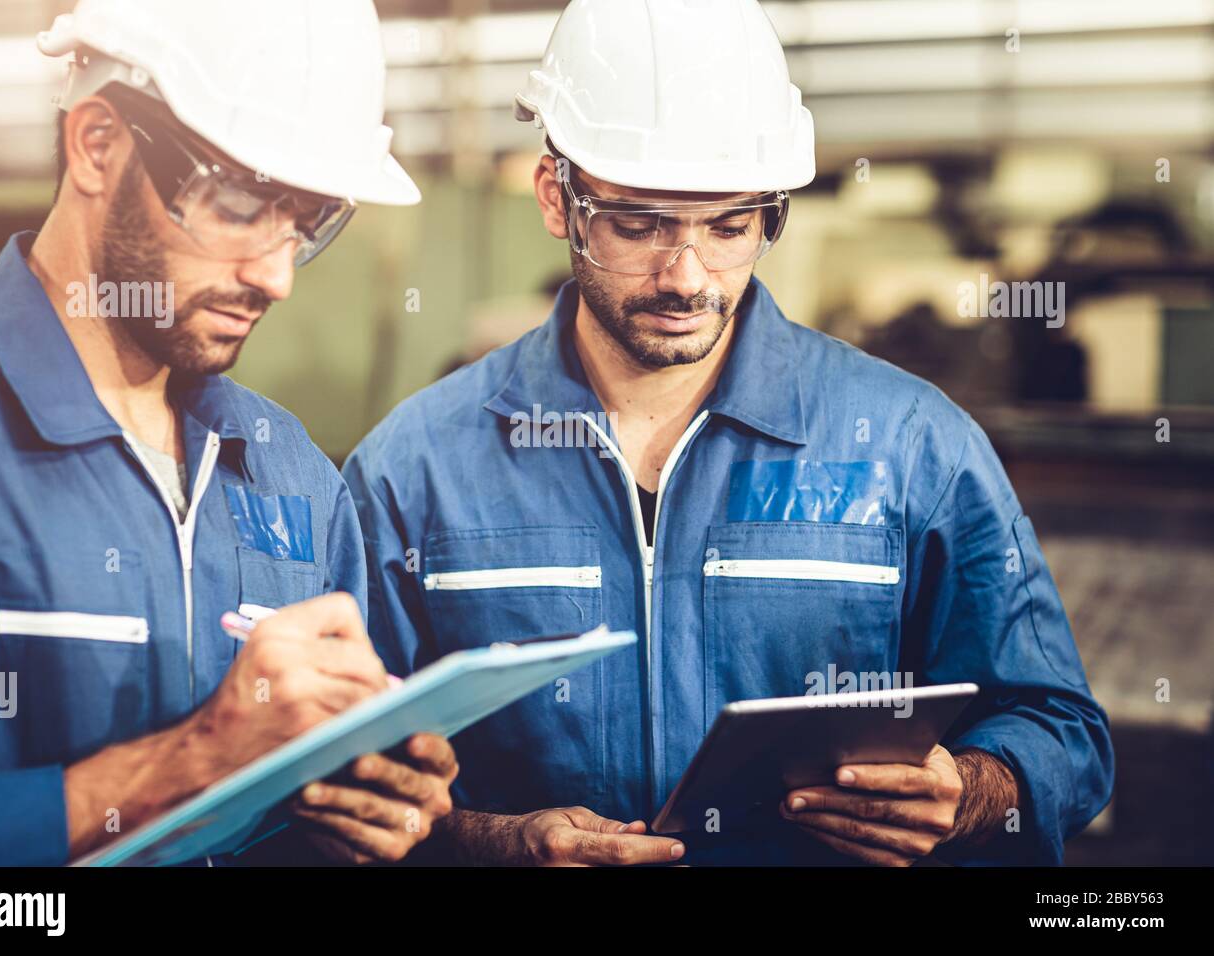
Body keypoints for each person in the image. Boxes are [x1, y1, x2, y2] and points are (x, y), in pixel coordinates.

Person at [344, 0, 1113, 866]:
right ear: (558, 199)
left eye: (729, 227)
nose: (687, 276)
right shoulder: (415, 467)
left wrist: (967, 790)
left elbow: (1062, 732)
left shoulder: (911, 446)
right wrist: (492, 844)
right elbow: (346, 784)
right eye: (639, 226)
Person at [0, 0, 455, 866]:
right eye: (240, 203)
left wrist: (362, 806)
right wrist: (196, 757)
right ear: (97, 144)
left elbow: (305, 803)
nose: (276, 275)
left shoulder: (293, 475)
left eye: (307, 220)